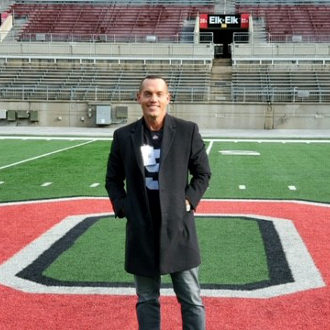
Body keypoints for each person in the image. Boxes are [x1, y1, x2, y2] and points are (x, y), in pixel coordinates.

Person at [105, 75, 211, 330]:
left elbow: (202, 173)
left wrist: (189, 199)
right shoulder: (123, 136)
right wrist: (125, 208)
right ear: (138, 98)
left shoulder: (187, 130)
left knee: (192, 300)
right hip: (142, 229)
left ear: (168, 98)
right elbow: (112, 180)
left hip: (178, 229)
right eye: (148, 94)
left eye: (159, 94)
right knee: (147, 299)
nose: (153, 99)